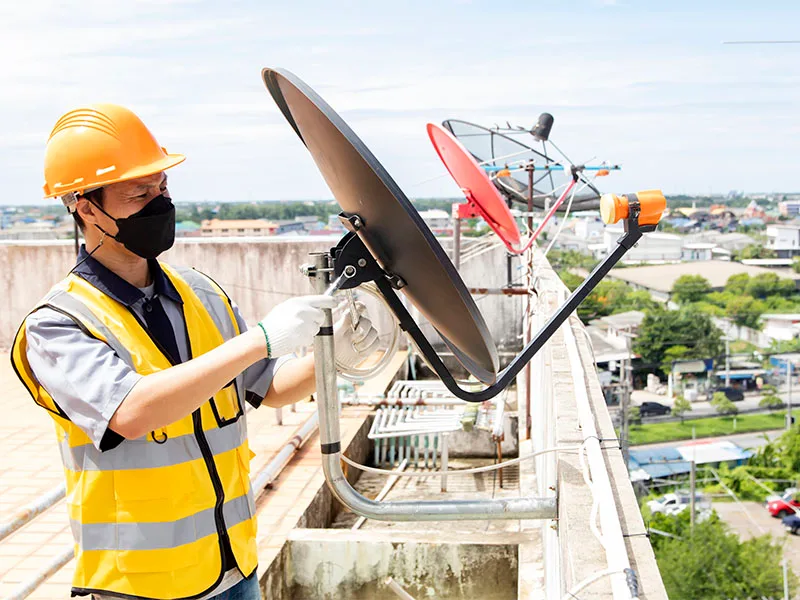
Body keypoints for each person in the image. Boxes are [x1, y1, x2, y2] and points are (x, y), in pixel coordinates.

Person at [10, 104, 379, 600]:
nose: (159, 203)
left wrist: (332, 358)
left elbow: (268, 385)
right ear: (85, 207)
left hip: (232, 566)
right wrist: (260, 338)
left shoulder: (201, 294)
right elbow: (133, 411)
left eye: (162, 188)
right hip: (143, 585)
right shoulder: (58, 323)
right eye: (138, 193)